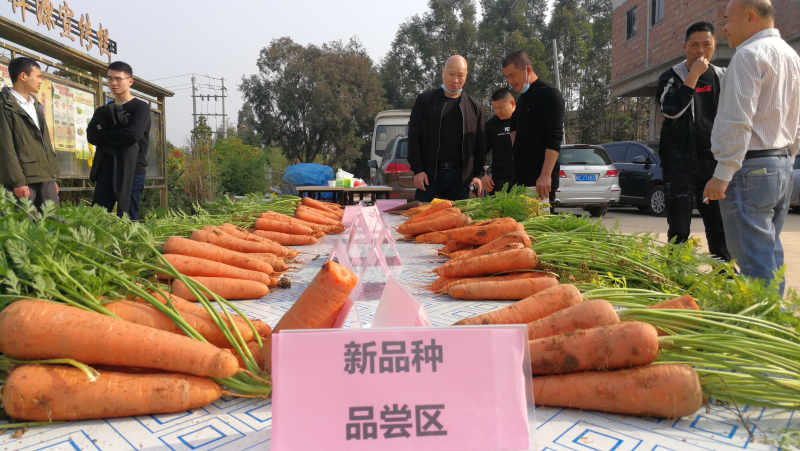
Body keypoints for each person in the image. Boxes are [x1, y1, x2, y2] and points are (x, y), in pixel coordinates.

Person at [703, 0, 800, 295]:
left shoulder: (748, 55)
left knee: (754, 262)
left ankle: (761, 329)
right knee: (769, 254)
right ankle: (774, 321)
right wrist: (789, 157)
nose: (724, 28)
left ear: (750, 17)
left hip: (751, 169)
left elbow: (737, 120)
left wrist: (722, 173)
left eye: (727, 20)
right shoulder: (791, 56)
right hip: (781, 165)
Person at [657, 21, 731, 262]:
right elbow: (671, 110)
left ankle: (725, 280)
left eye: (706, 45)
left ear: (714, 46)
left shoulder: (723, 77)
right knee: (679, 229)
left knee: (718, 227)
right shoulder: (671, 76)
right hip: (680, 167)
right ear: (685, 47)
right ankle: (676, 276)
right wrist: (693, 76)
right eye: (694, 45)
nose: (700, 51)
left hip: (713, 165)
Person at [407, 55, 485, 202]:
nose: (455, 80)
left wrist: (478, 175)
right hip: (429, 177)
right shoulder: (425, 101)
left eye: (460, 75)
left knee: (459, 223)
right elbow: (414, 137)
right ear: (443, 71)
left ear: (466, 75)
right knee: (423, 222)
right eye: (451, 74)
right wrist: (418, 170)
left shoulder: (475, 107)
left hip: (461, 180)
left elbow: (480, 144)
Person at [88, 61, 151, 220]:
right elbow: (92, 136)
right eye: (109, 79)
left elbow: (132, 135)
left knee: (129, 217)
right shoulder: (102, 111)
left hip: (133, 169)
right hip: (106, 169)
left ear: (130, 81)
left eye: (118, 78)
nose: (113, 83)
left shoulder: (140, 108)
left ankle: (132, 245)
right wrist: (119, 134)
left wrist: (106, 134)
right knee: (97, 217)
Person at [502, 50, 564, 210]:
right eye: (507, 77)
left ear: (527, 70)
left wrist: (545, 174)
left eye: (512, 75)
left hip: (540, 181)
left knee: (538, 228)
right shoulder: (522, 98)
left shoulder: (550, 95)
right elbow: (515, 127)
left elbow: (554, 137)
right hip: (521, 177)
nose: (510, 81)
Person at [0, 57, 60, 209]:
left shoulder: (35, 105)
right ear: (23, 76)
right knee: (23, 225)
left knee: (54, 223)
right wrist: (17, 181)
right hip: (22, 180)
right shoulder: (5, 106)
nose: (41, 81)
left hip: (45, 178)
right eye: (38, 76)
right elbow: (5, 147)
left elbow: (45, 143)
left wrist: (52, 178)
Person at [482, 88, 516, 195]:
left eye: (501, 107)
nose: (497, 111)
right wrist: (483, 175)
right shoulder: (490, 125)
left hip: (524, 179)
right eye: (495, 108)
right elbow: (480, 152)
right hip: (499, 181)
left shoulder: (525, 120)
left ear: (512, 103)